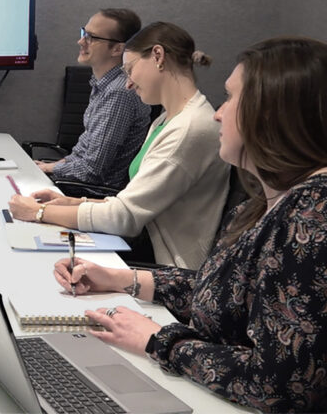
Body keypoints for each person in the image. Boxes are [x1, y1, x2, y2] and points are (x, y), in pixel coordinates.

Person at [51, 36, 327, 412]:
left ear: (271, 113)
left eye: (231, 99)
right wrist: (123, 279)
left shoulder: (312, 220)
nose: (219, 113)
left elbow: (280, 385)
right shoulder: (271, 200)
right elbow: (225, 291)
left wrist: (160, 341)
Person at [9, 22, 230, 269]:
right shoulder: (166, 119)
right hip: (144, 245)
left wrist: (39, 213)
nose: (127, 83)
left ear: (158, 56)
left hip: (165, 265)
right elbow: (133, 202)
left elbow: (125, 217)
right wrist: (72, 203)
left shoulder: (190, 129)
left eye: (130, 70)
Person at [38, 8, 152, 190]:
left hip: (91, 193)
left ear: (117, 49)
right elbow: (84, 151)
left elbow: (92, 170)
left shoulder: (119, 93)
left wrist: (50, 168)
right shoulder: (104, 84)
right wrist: (53, 165)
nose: (81, 41)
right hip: (77, 182)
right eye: (84, 33)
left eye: (92, 37)